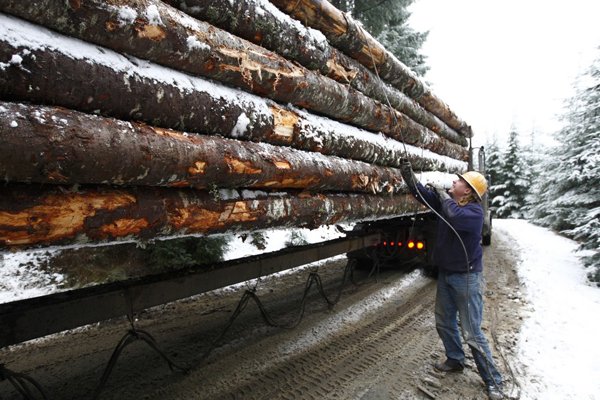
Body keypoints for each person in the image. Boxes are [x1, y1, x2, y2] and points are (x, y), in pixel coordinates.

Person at [400, 160, 504, 400]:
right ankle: (455, 359)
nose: (454, 182)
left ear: (467, 190)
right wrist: (410, 177)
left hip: (466, 279)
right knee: (444, 322)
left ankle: (494, 382)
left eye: (458, 181)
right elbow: (424, 196)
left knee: (472, 332)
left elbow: (455, 216)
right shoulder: (451, 204)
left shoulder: (474, 212)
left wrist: (442, 195)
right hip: (446, 274)